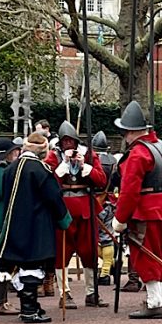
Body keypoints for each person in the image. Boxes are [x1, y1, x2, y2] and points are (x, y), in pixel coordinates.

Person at [0, 133, 72, 323]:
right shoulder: (40, 170)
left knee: (22, 265)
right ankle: (29, 310)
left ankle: (28, 306)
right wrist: (64, 218)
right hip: (35, 224)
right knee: (32, 264)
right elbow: (53, 197)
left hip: (13, 224)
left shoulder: (10, 169)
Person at [112, 100, 162, 319]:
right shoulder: (161, 146)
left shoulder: (138, 153)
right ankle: (157, 298)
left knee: (146, 256)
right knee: (160, 254)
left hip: (144, 211)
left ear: (129, 132)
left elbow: (129, 192)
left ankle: (154, 302)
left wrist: (120, 218)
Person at [45, 120, 108, 309]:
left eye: (70, 141)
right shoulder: (53, 156)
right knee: (62, 251)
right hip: (63, 207)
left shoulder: (88, 154)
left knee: (89, 250)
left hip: (85, 205)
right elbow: (50, 181)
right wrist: (63, 164)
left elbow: (101, 180)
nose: (67, 145)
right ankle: (65, 293)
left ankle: (92, 292)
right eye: (64, 141)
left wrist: (84, 166)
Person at [0, 138, 22, 315]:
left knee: (4, 260)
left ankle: (2, 301)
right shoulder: (0, 170)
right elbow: (6, 191)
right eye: (14, 151)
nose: (16, 154)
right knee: (3, 261)